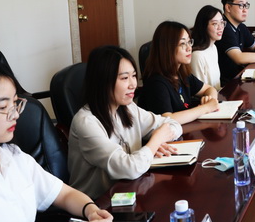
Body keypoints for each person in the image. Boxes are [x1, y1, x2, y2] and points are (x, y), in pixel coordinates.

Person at [0, 62, 114, 222]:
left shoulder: (14, 158)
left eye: (15, 103)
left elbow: (64, 194)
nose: (15, 114)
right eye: (3, 106)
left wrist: (91, 210)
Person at [68, 46, 182, 199]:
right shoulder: (86, 123)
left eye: (133, 76)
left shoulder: (128, 108)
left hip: (128, 191)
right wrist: (154, 142)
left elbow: (173, 124)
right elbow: (129, 168)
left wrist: (153, 146)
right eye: (124, 78)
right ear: (103, 81)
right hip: (97, 204)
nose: (133, 84)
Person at [138, 21, 220, 124]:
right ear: (167, 48)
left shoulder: (181, 73)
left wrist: (210, 100)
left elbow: (209, 89)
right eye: (182, 44)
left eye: (189, 42)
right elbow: (167, 120)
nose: (189, 48)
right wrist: (206, 108)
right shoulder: (156, 83)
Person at [190, 5, 224, 91]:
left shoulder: (213, 48)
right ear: (203, 26)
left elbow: (217, 86)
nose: (220, 27)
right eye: (215, 24)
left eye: (222, 22)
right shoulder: (197, 55)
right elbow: (200, 91)